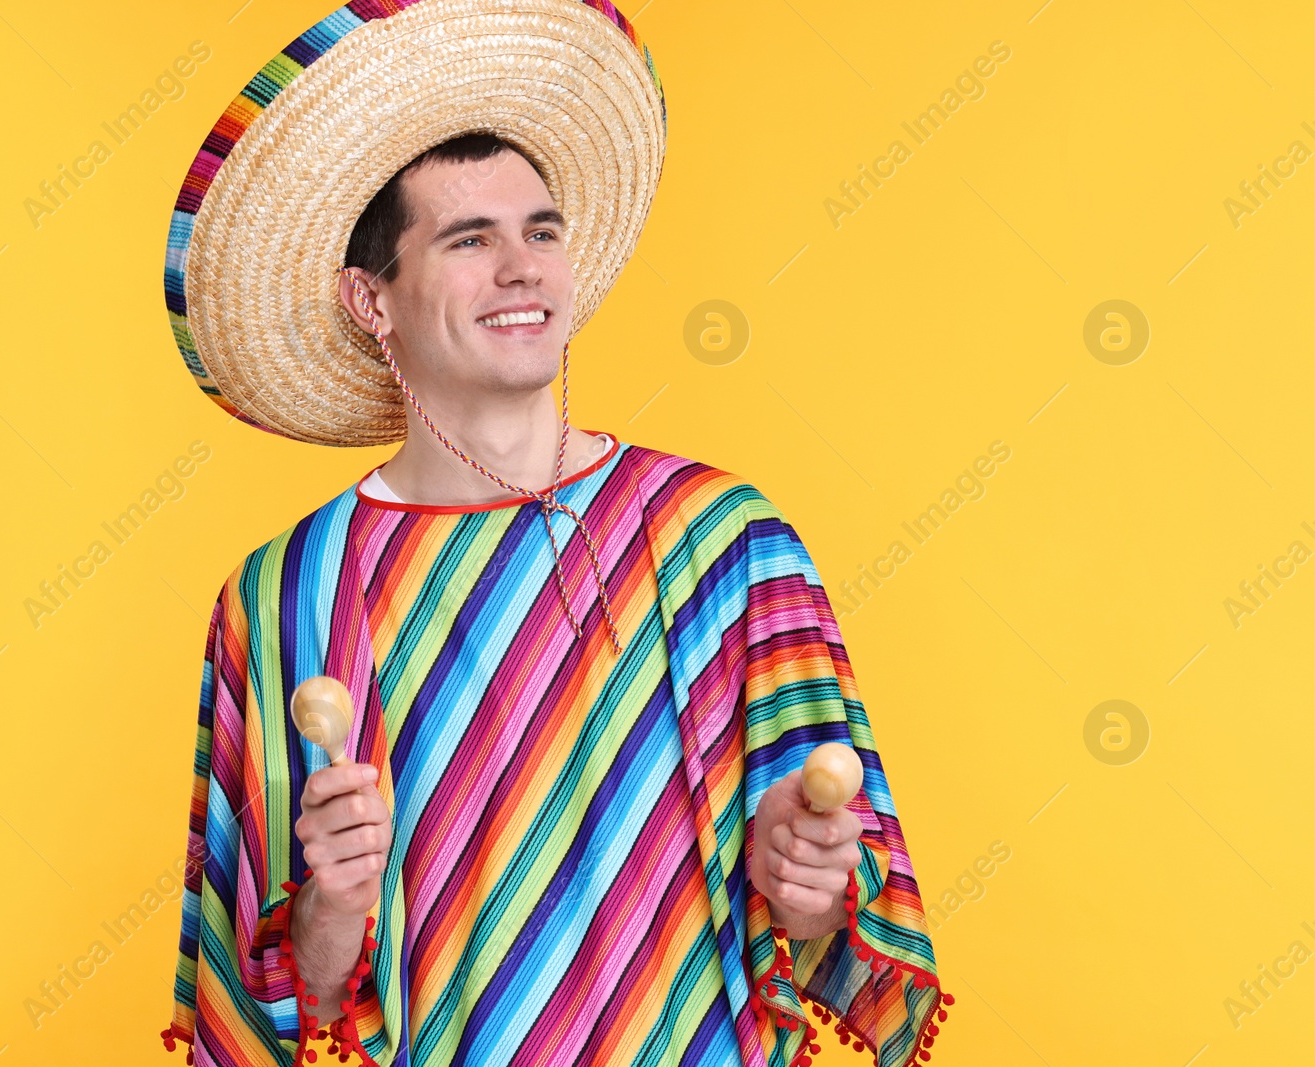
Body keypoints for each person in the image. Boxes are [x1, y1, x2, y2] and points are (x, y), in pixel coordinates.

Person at [158, 2, 949, 1066]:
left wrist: (804, 888)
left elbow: (827, 928)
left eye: (540, 230)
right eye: (468, 238)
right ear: (370, 299)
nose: (521, 267)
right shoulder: (286, 596)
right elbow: (275, 1003)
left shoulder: (723, 545)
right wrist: (330, 905)